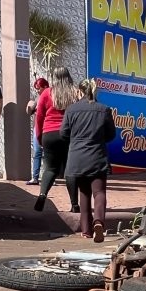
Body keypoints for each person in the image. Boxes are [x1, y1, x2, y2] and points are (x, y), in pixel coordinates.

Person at [61, 78, 116, 242]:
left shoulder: (71, 110)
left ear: (79, 91)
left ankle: (86, 230)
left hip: (77, 157)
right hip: (97, 155)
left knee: (84, 193)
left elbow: (63, 133)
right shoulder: (104, 109)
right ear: (95, 91)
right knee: (99, 192)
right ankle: (98, 221)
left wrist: (76, 140)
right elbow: (111, 134)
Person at [33, 66, 80, 213]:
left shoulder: (47, 93)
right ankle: (74, 204)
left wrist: (40, 137)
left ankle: (42, 195)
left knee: (50, 169)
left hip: (49, 134)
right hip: (69, 134)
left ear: (54, 77)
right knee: (70, 171)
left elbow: (39, 117)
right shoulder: (75, 93)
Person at [25, 78, 49, 185]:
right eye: (36, 89)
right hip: (38, 128)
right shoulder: (38, 98)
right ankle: (35, 177)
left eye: (39, 89)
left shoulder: (51, 96)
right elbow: (29, 112)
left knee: (48, 154)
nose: (37, 91)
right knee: (37, 152)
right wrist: (29, 107)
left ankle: (49, 177)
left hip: (48, 127)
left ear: (45, 87)